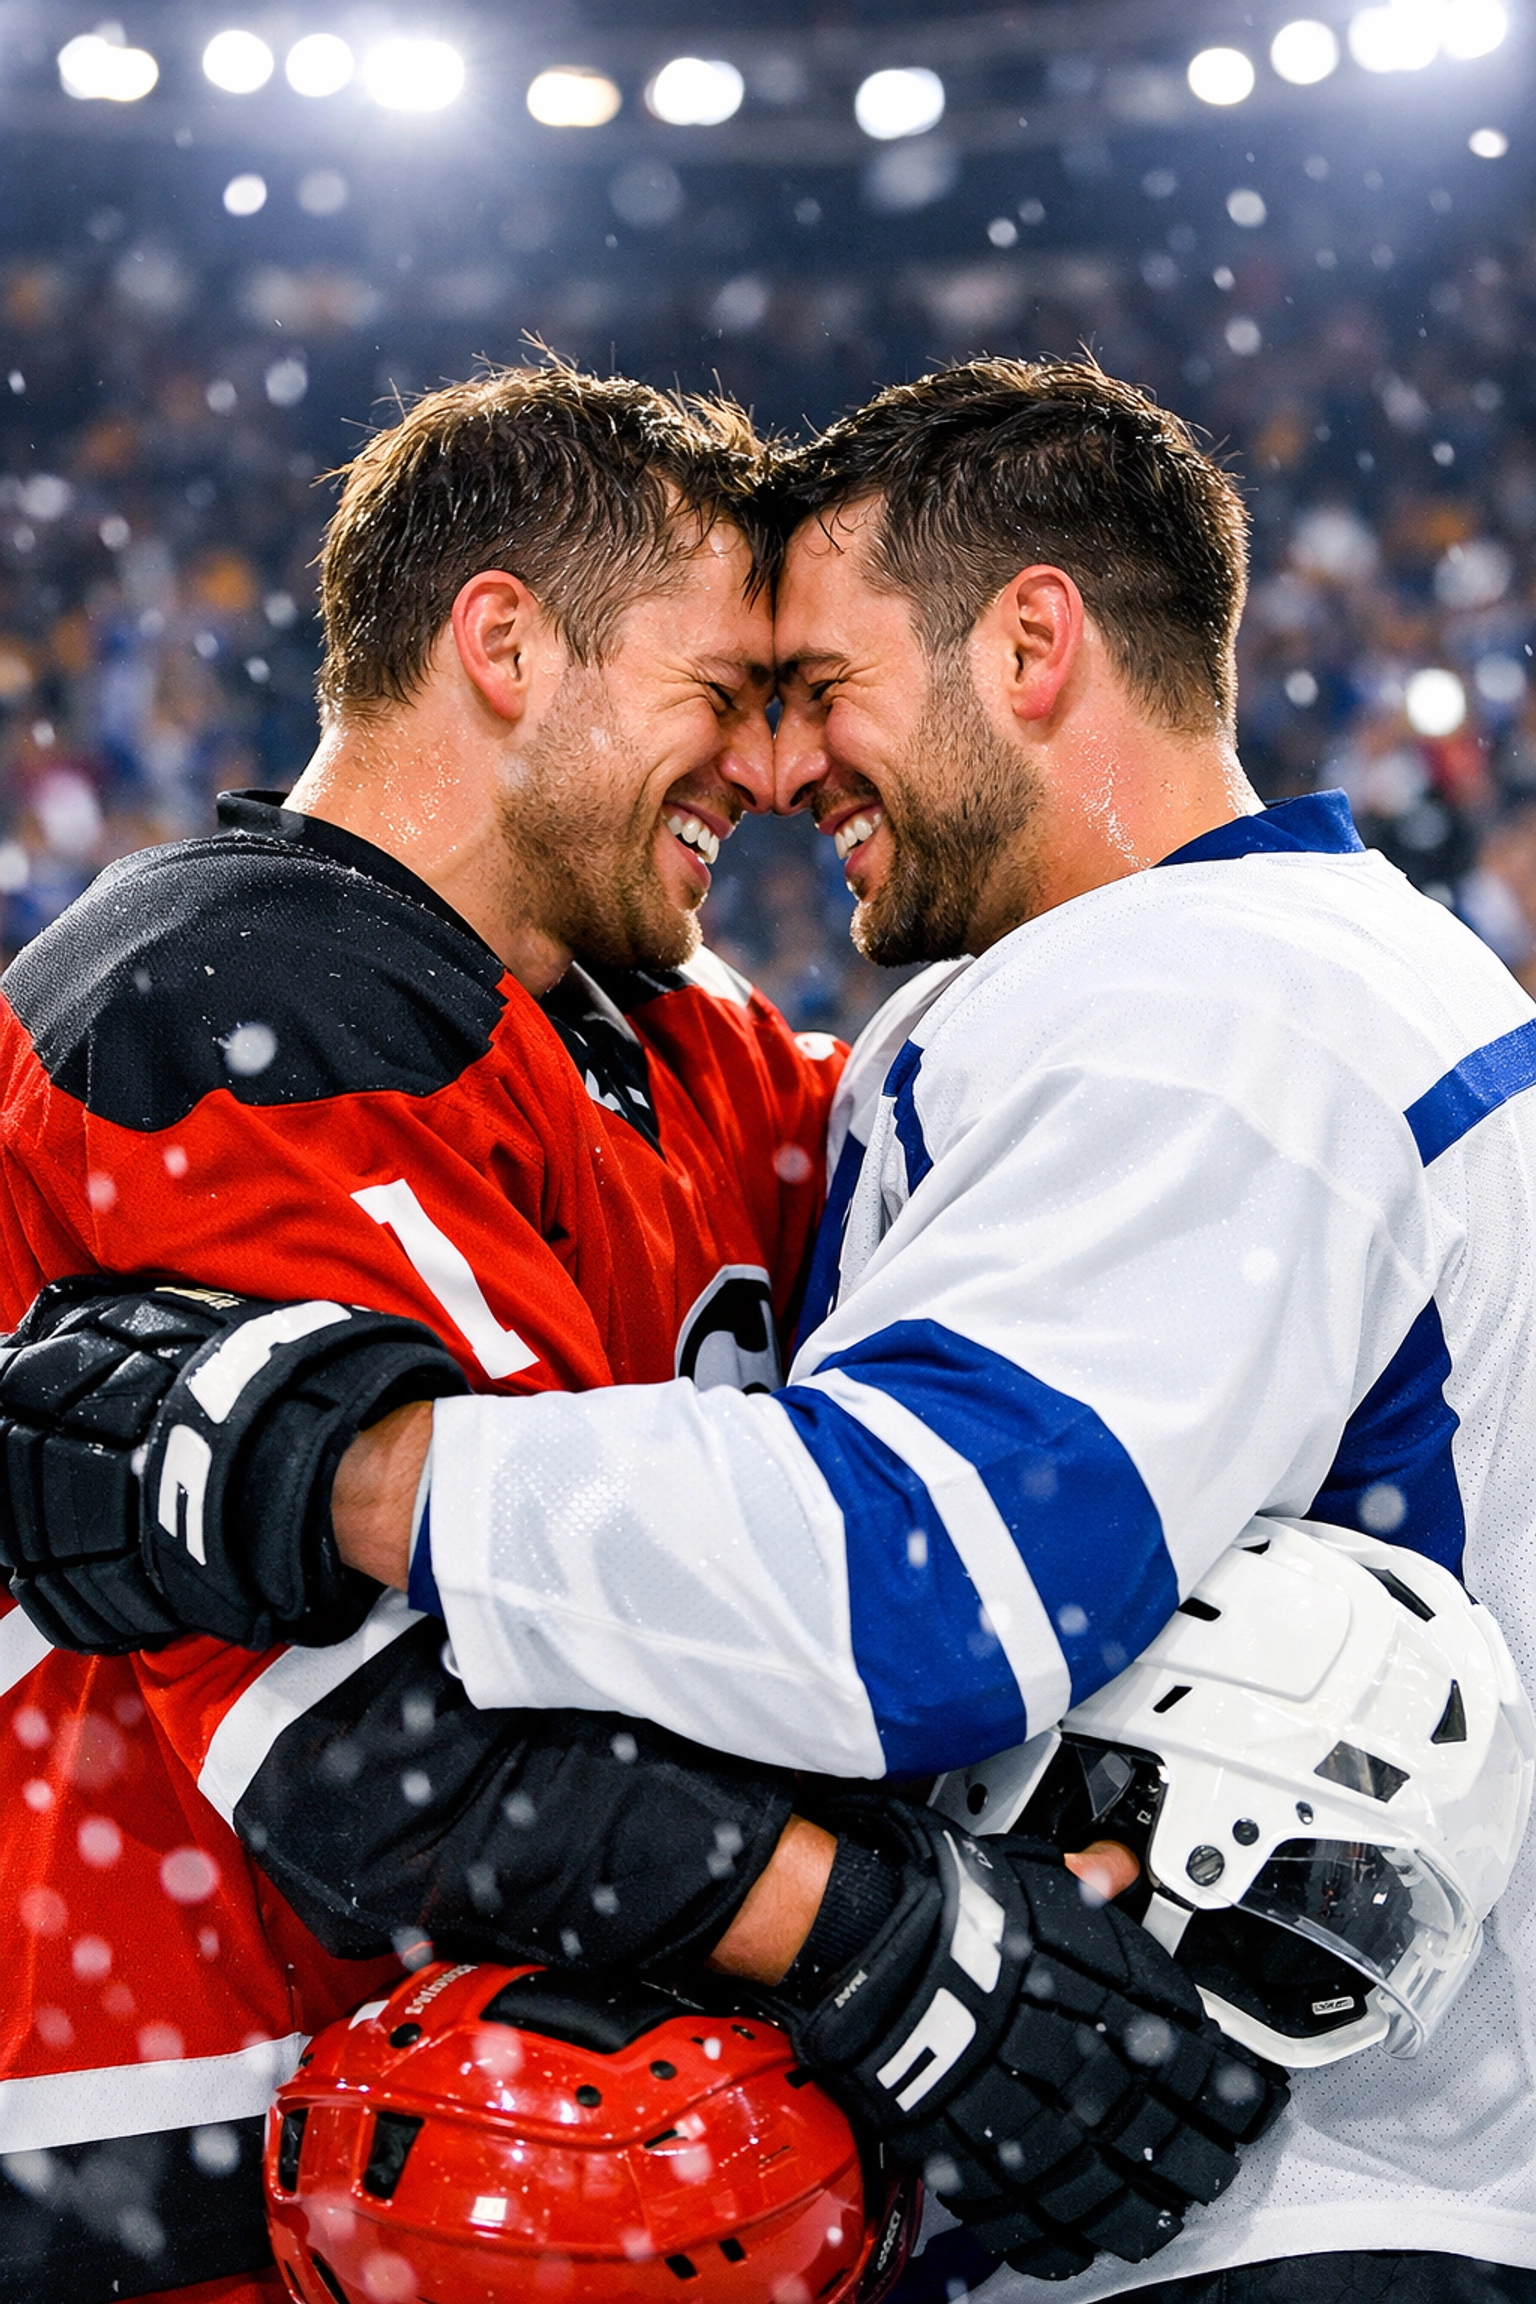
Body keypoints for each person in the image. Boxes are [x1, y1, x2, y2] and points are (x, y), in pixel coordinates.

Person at [0, 362, 1271, 2304]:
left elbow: (1014, 1252)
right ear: (503, 642)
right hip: (183, 2171)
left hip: (541, 2154)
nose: (768, 775)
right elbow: (368, 1724)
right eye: (725, 695)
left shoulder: (670, 1036)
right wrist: (892, 1941)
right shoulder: (211, 1003)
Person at [300, 359, 1536, 2300]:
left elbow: (911, 1592)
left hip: (1288, 2203)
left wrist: (355, 1469)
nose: (786, 774)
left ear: (1033, 643)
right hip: (1287, 2170)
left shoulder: (1209, 1015)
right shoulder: (1279, 972)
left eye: (818, 690)